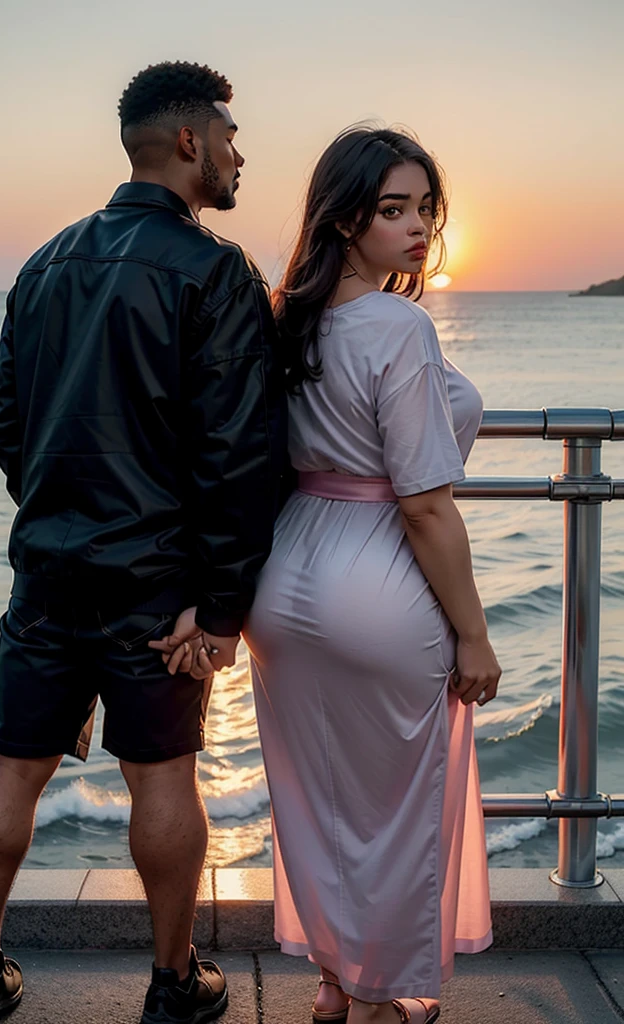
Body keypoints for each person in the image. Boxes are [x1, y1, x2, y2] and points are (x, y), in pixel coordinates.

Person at [0, 61, 287, 1024]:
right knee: (163, 777)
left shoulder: (44, 263)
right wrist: (219, 609)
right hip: (158, 588)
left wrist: (61, 525)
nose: (237, 151)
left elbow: (9, 428)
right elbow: (239, 455)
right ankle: (175, 986)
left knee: (13, 762)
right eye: (228, 134)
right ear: (188, 143)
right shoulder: (217, 269)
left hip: (49, 573)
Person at [245, 127, 501, 1024]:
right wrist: (473, 632)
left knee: (316, 796)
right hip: (378, 573)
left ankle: (333, 978)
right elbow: (426, 506)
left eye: (427, 208)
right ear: (345, 218)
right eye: (395, 209)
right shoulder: (398, 325)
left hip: (285, 578)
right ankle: (382, 992)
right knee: (398, 808)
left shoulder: (287, 319)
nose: (420, 226)